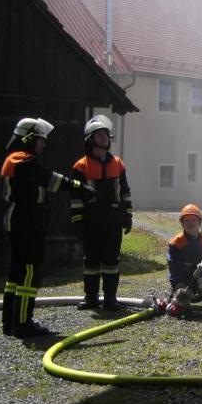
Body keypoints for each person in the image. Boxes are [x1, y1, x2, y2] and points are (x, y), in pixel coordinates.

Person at [0, 117, 94, 337]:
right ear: (28, 138)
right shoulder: (22, 161)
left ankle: (11, 322)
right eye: (41, 140)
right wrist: (79, 186)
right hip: (26, 223)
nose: (43, 144)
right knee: (29, 273)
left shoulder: (15, 159)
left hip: (20, 222)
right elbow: (50, 180)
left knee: (16, 274)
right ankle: (23, 323)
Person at [70, 115, 133, 311]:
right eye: (99, 135)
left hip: (113, 220)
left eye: (105, 134)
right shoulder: (80, 166)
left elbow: (125, 191)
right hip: (92, 221)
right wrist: (78, 221)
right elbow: (76, 197)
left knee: (112, 261)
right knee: (91, 261)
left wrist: (128, 215)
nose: (104, 137)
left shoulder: (118, 164)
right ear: (90, 139)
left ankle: (110, 298)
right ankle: (90, 298)